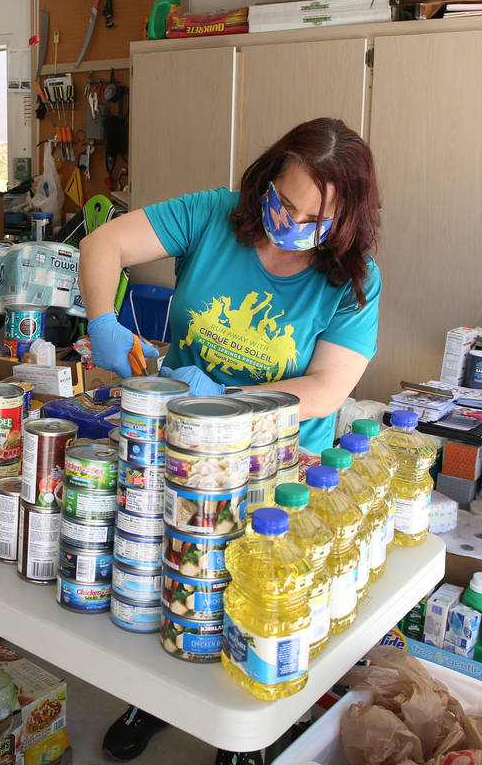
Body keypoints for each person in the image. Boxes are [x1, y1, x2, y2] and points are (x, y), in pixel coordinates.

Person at [78, 118, 382, 764]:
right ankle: (152, 698)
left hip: (280, 464)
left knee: (257, 596)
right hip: (179, 449)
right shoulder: (216, 214)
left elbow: (327, 388)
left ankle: (248, 738)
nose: (290, 222)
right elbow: (102, 244)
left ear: (345, 221)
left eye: (313, 217)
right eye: (284, 201)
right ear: (266, 179)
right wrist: (104, 322)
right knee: (175, 579)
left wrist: (218, 403)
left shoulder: (353, 280)